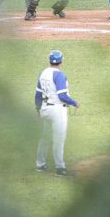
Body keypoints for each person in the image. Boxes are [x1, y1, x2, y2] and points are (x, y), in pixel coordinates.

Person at [35, 49, 79, 177]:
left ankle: (40, 165)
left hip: (45, 109)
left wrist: (38, 110)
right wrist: (74, 102)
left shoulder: (43, 73)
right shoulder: (59, 75)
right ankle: (60, 169)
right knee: (59, 140)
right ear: (61, 61)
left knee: (45, 137)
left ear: (50, 60)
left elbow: (38, 95)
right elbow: (62, 96)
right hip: (57, 111)